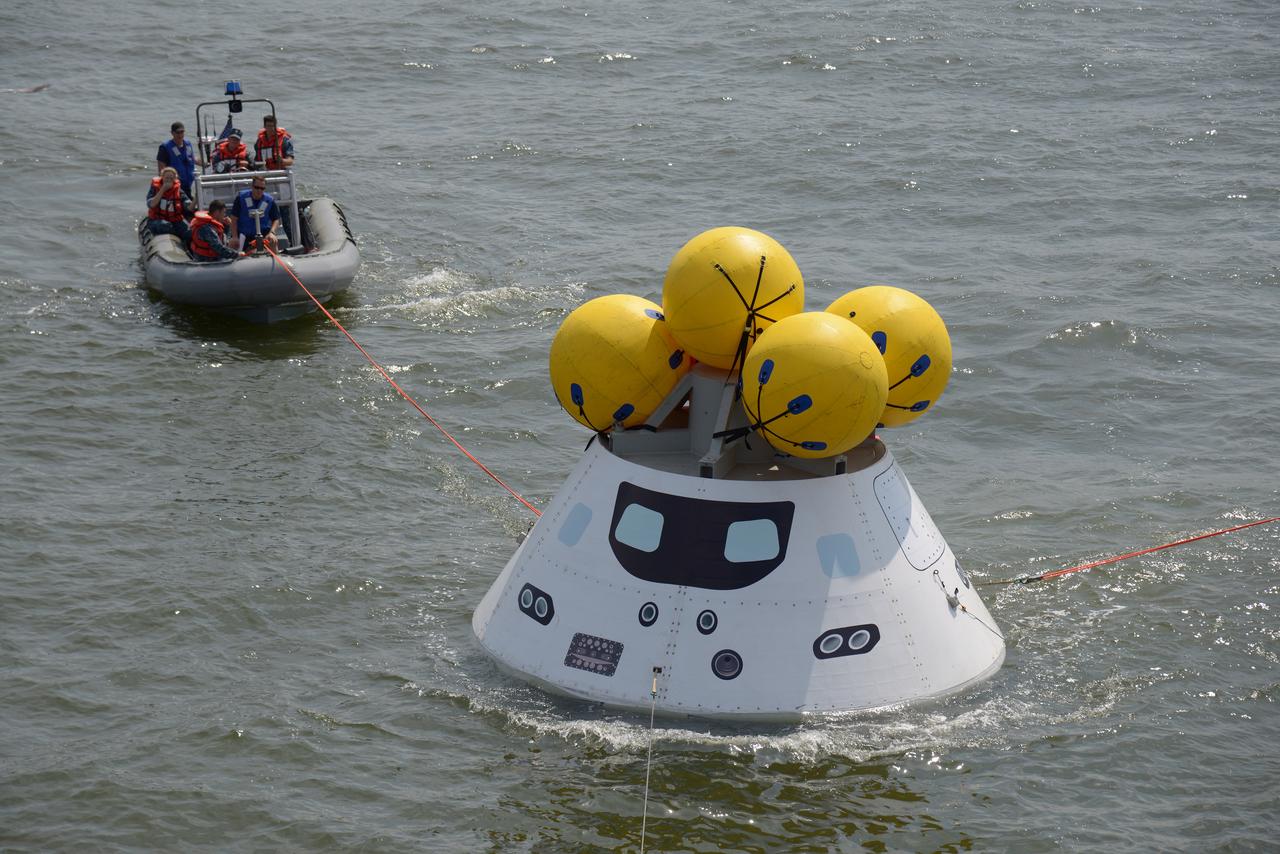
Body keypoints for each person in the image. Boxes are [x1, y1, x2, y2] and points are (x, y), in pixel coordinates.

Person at [231, 176, 281, 251]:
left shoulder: (269, 200)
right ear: (252, 186)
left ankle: (276, 260)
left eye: (262, 188)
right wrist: (234, 236)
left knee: (273, 241)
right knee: (232, 244)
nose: (259, 190)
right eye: (256, 187)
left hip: (264, 234)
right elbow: (234, 219)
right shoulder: (241, 198)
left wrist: (272, 232)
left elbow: (276, 219)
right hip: (244, 235)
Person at [145, 167, 193, 242]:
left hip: (175, 220)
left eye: (171, 178)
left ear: (175, 179)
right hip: (157, 220)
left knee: (189, 232)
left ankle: (185, 246)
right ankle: (176, 239)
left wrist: (195, 200)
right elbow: (151, 204)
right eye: (166, 178)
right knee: (165, 226)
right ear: (162, 177)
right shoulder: (155, 188)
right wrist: (163, 189)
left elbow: (188, 206)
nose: (168, 180)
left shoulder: (178, 191)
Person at [156, 121, 201, 194]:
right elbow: (161, 171)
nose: (180, 135)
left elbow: (192, 158)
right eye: (177, 132)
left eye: (182, 132)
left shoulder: (188, 144)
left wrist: (206, 164)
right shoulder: (165, 148)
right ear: (172, 133)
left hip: (188, 185)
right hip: (174, 187)